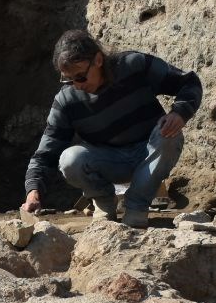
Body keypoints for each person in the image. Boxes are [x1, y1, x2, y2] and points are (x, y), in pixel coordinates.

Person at [20, 29, 202, 228]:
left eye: (80, 77)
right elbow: (47, 152)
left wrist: (180, 113)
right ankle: (104, 204)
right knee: (70, 160)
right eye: (69, 79)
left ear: (98, 60)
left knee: (169, 135)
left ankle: (136, 207)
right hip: (109, 161)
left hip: (149, 152)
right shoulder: (66, 101)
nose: (77, 85)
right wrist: (33, 191)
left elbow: (188, 82)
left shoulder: (134, 66)